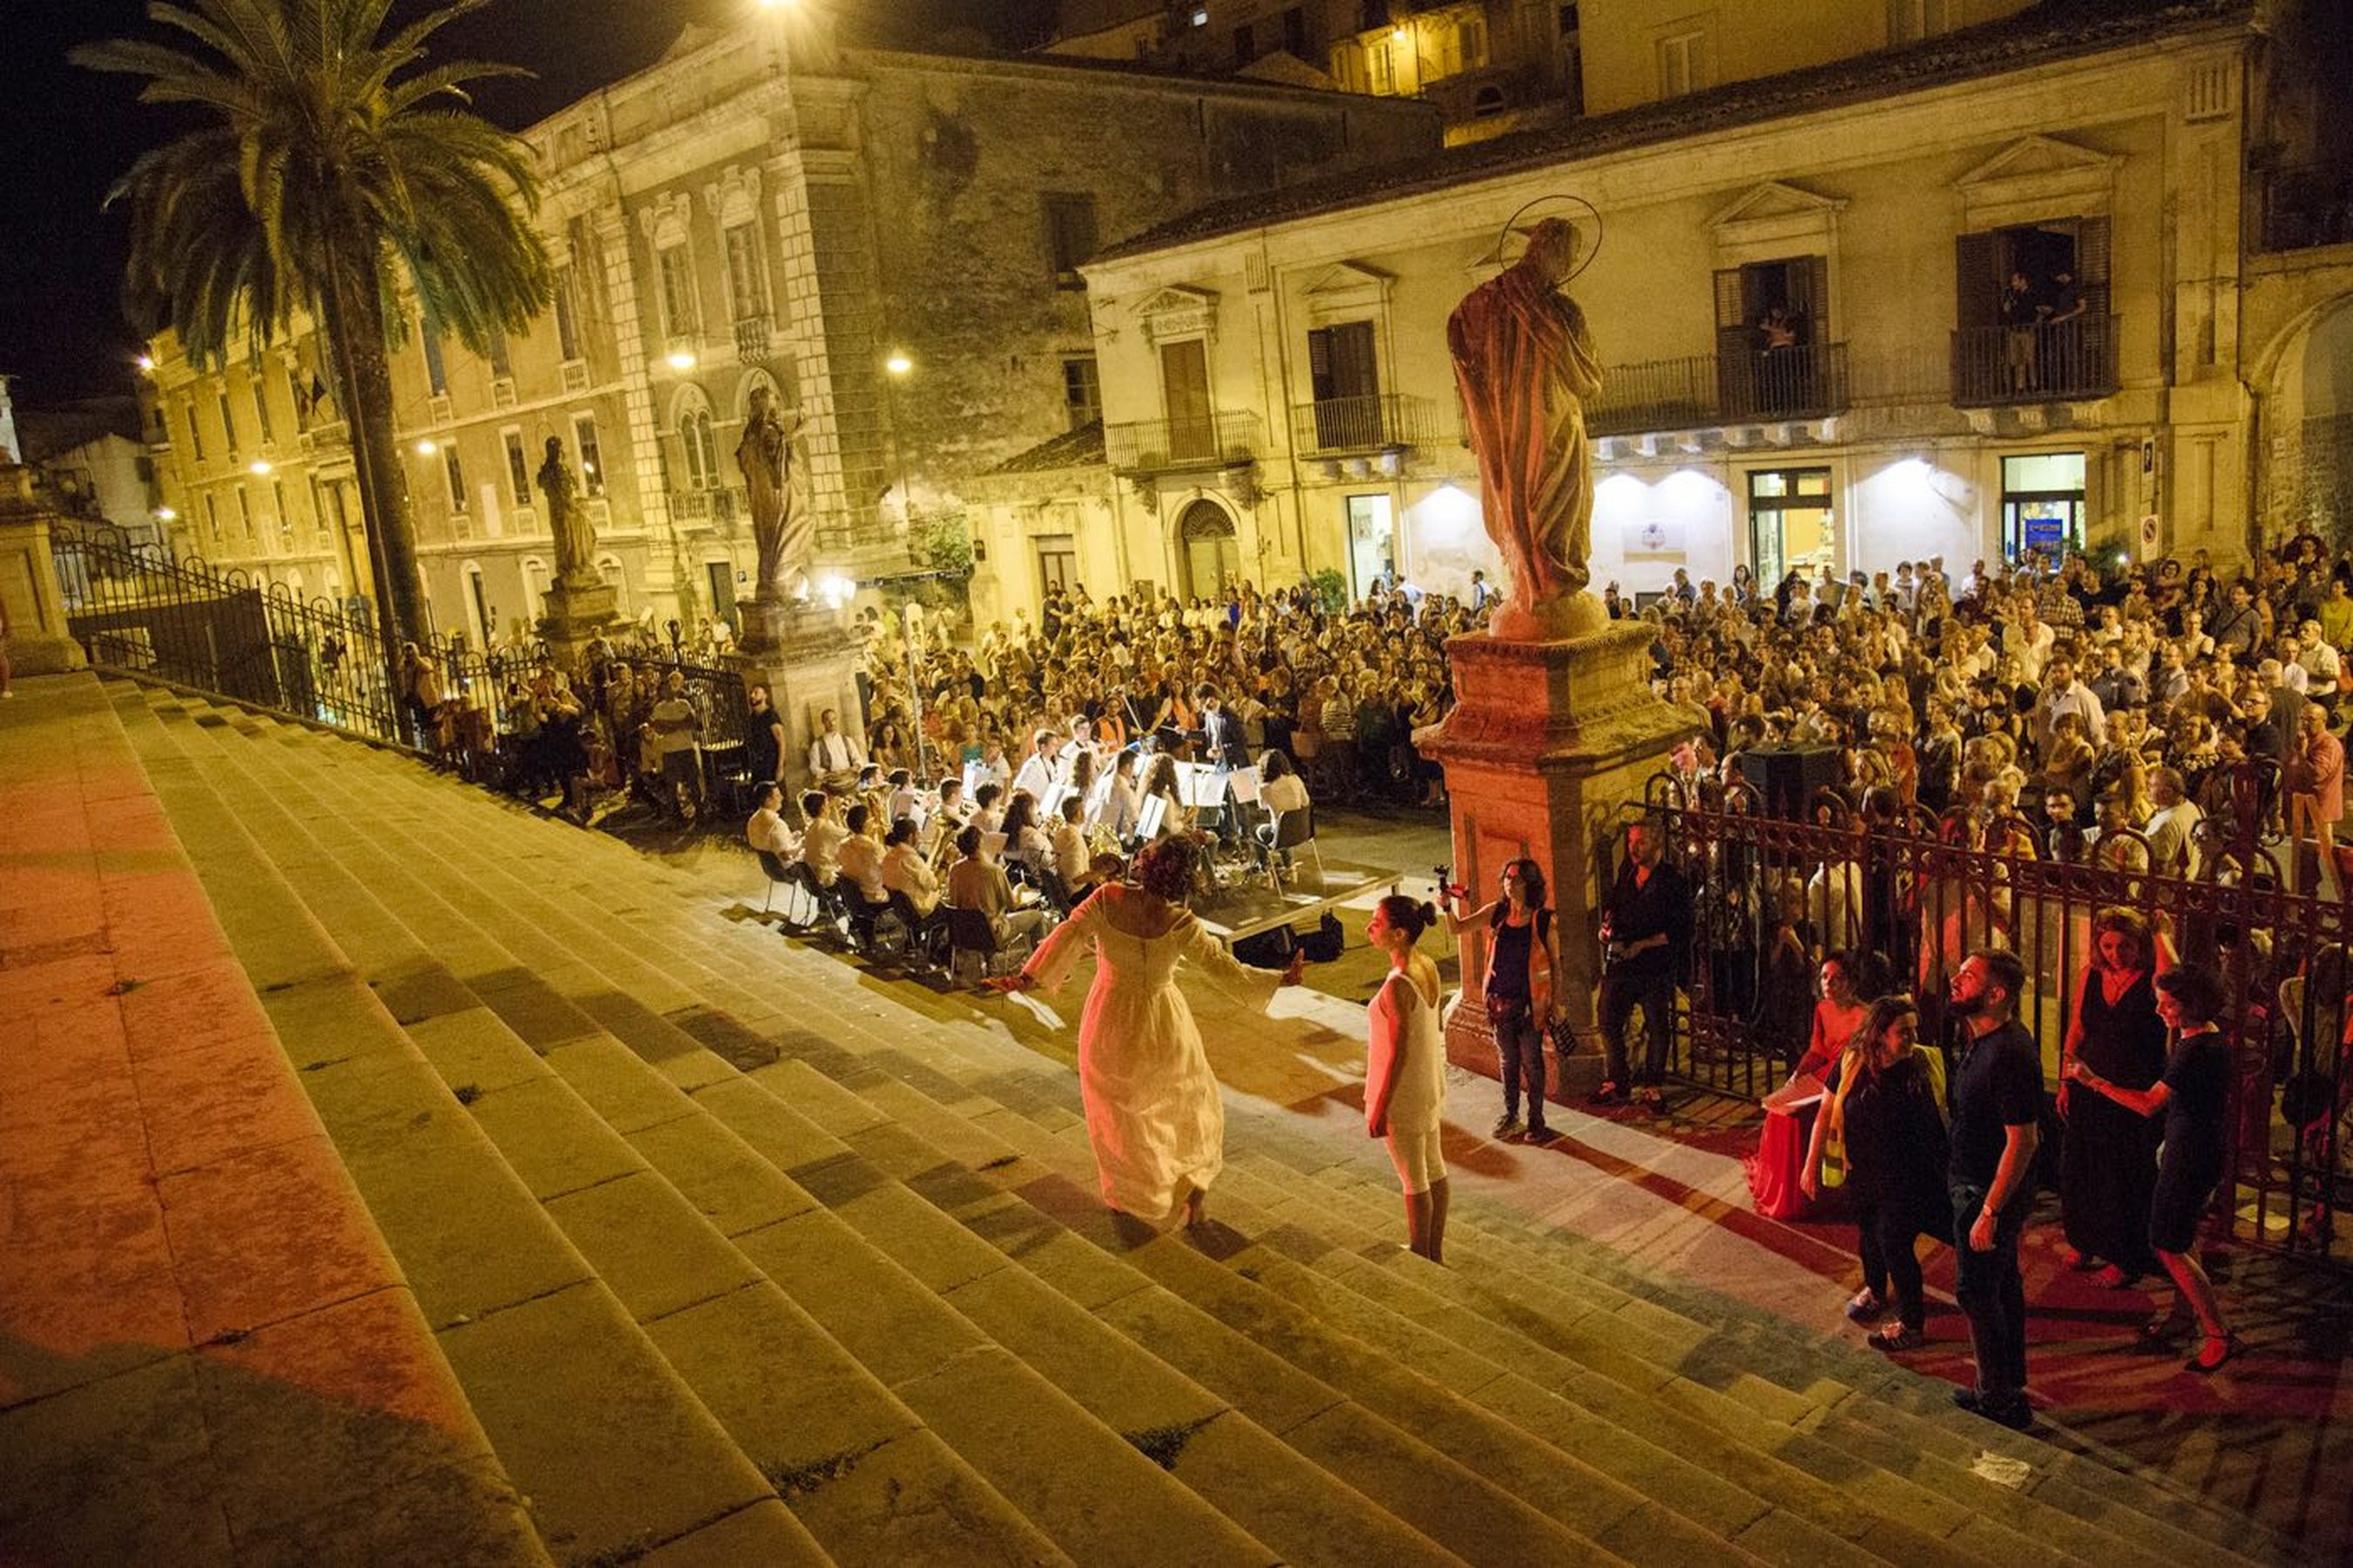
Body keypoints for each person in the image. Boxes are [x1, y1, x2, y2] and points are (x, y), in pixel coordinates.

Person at [989, 838, 1302, 1226]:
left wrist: (1026, 978)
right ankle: (1193, 1190)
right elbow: (1225, 969)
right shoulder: (1181, 922)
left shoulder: (1107, 898)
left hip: (1110, 1016)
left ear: (1145, 865)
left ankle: (1128, 1190)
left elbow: (1067, 934)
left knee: (1119, 1111)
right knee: (1192, 1103)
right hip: (1164, 1021)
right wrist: (1280, 979)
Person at [2063, 963, 2241, 1373]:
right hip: (2191, 1148)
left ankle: (2219, 1333)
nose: (2159, 1011)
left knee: (2165, 1241)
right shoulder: (2202, 1040)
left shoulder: (2194, 1051)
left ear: (2191, 1006)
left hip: (2191, 1154)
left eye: (2168, 1005)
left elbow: (2147, 1104)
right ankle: (2184, 1315)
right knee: (2181, 1237)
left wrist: (2094, 1081)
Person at [1802, 995, 1952, 1351]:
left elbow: (1940, 1122)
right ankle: (1874, 1289)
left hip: (1908, 1175)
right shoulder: (1853, 1061)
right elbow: (1825, 1111)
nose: (1912, 1038)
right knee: (1868, 1233)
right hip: (1863, 1171)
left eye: (1914, 1029)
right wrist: (1811, 1163)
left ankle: (1911, 1323)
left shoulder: (1921, 1065)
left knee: (1895, 1243)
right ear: (1880, 1034)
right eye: (1904, 1031)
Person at [1945, 949, 2043, 1429]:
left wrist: (1990, 1209)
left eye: (1968, 976)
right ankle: (2003, 1384)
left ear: (1997, 993)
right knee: (2001, 1286)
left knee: (1977, 1291)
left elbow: (2023, 1140)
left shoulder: (2009, 1052)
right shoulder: (1983, 1038)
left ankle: (2001, 1399)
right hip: (1973, 1183)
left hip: (1988, 1192)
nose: (1955, 981)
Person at [2058, 909, 2168, 1290]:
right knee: (2082, 1166)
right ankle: (2085, 1240)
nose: (2115, 954)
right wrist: (2066, 1078)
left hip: (2131, 1088)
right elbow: (2077, 1027)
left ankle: (2125, 1255)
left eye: (2125, 946)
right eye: (2107, 946)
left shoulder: (2153, 981)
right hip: (2089, 1084)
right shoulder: (2091, 975)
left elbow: (2174, 976)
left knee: (2123, 1174)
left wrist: (2161, 934)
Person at [1441, 856, 1561, 1142]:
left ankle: (1536, 1120)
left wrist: (1556, 1002)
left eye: (1517, 879)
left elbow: (1555, 964)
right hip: (1499, 1004)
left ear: (1530, 884)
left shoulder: (1543, 920)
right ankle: (1511, 1114)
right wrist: (1447, 907)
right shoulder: (1496, 913)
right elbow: (1457, 928)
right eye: (1507, 878)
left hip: (1529, 1005)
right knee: (1508, 1062)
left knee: (1532, 1063)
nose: (1510, 884)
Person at [1366, 894, 1450, 1262]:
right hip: (1428, 1084)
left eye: (1377, 923)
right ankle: (1434, 1251)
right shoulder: (1427, 965)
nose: (1370, 927)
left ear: (1398, 933)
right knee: (1434, 1167)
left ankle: (1421, 1253)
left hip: (1405, 1094)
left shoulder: (1399, 984)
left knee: (1414, 1179)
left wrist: (1380, 1106)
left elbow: (1398, 1051)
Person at [1595, 818, 1694, 1111]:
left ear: (1657, 844)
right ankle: (1618, 1080)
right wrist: (1606, 929)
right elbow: (1613, 906)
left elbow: (1683, 930)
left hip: (1655, 967)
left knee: (1657, 1026)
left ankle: (1652, 1084)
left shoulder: (1672, 882)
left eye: (1640, 843)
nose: (1634, 849)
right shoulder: (1627, 874)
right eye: (1630, 843)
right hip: (1622, 965)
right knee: (1608, 1019)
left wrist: (1644, 944)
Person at [808, 706, 863, 793]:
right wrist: (829, 774)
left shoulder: (848, 740)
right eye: (828, 720)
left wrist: (852, 768)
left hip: (850, 779)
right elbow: (814, 767)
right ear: (823, 722)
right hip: (831, 783)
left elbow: (858, 759)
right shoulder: (817, 745)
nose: (832, 723)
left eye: (834, 719)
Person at [799, 789, 846, 889]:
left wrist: (835, 811)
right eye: (827, 803)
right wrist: (837, 811)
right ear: (823, 807)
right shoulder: (824, 826)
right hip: (827, 878)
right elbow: (849, 836)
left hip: (813, 878)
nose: (829, 806)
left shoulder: (810, 826)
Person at [745, 683, 786, 789]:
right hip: (758, 763)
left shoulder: (770, 715)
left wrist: (780, 767)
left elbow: (781, 742)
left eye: (756, 693)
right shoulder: (753, 717)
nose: (752, 696)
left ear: (765, 696)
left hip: (770, 763)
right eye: (751, 693)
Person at [746, 782, 801, 859]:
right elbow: (786, 856)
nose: (782, 798)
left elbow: (770, 844)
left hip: (770, 867)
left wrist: (792, 837)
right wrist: (802, 844)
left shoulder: (752, 821)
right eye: (778, 796)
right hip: (789, 868)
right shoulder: (777, 824)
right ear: (768, 801)